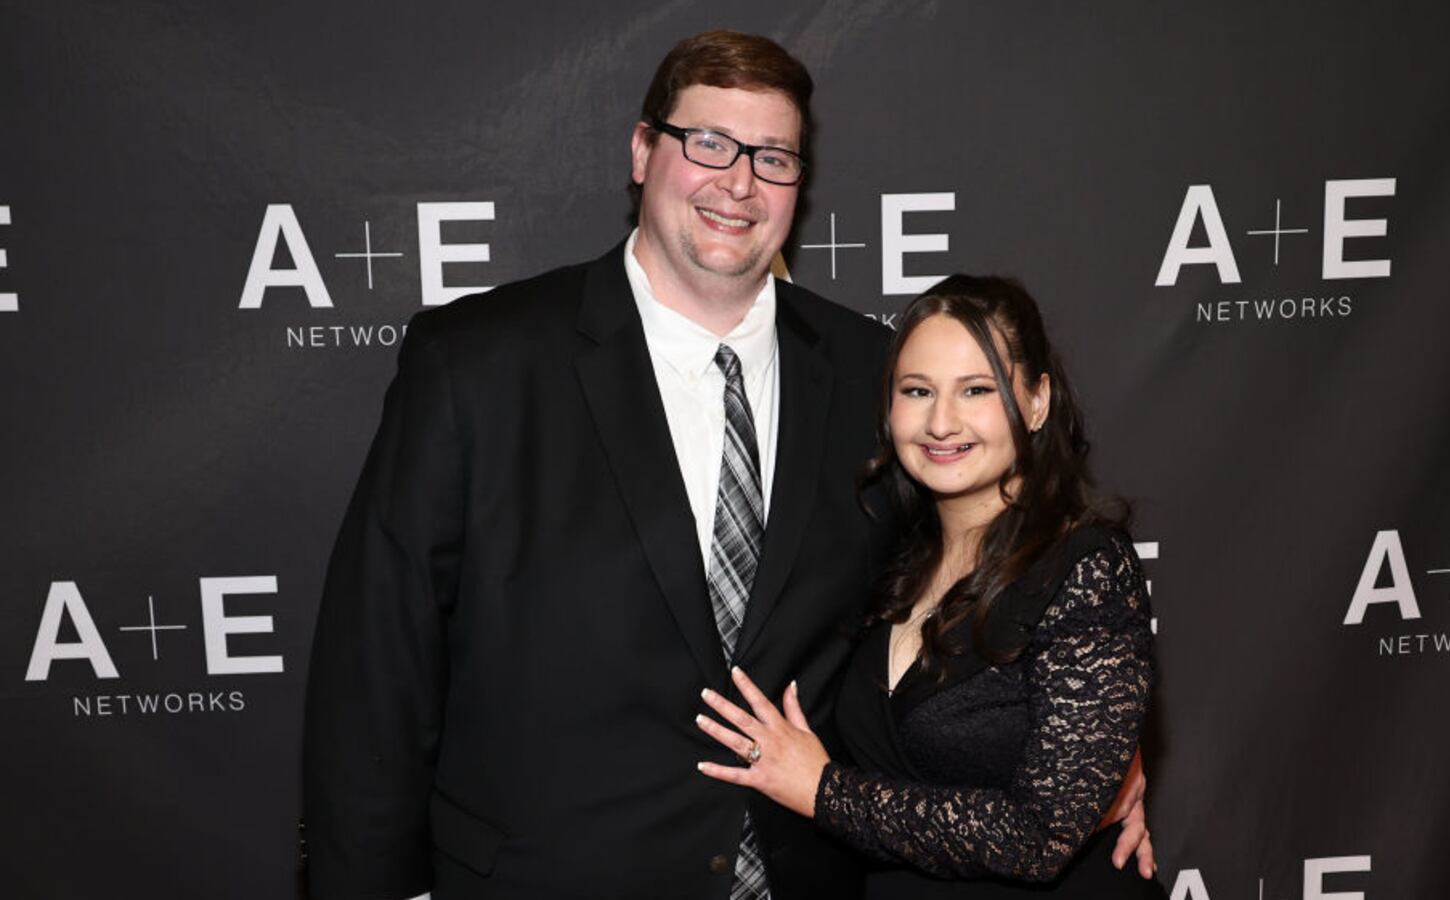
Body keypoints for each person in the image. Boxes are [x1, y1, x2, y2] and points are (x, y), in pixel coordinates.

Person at [302, 30, 1152, 900]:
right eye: (708, 142)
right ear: (642, 151)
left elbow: (981, 587)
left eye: (773, 158)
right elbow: (377, 666)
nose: (739, 181)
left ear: (799, 187)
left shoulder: (875, 374)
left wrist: (1091, 758)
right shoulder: (480, 362)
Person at [696, 275, 1163, 898]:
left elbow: (1040, 837)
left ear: (1037, 400)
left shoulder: (1085, 569)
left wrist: (823, 790)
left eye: (977, 389)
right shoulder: (886, 556)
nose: (941, 422)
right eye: (917, 391)